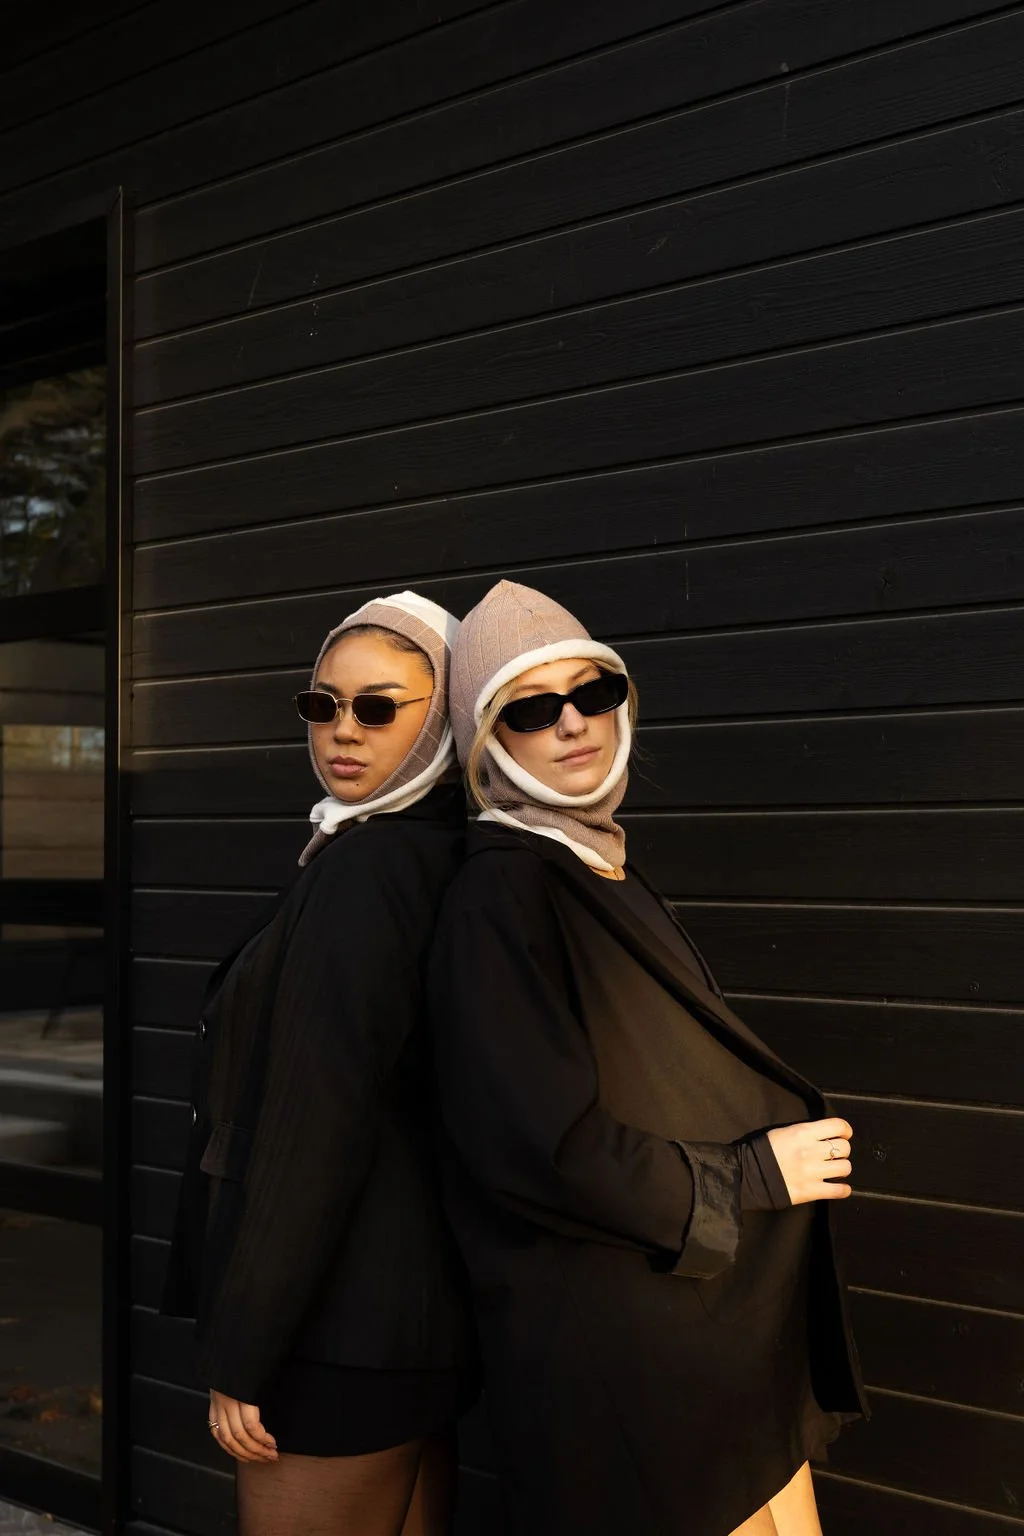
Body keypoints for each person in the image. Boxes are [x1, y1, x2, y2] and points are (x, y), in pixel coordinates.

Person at [429, 580, 867, 1536]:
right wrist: (751, 1174)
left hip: (703, 1326)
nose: (574, 724)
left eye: (596, 694)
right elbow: (531, 1146)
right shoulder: (500, 895)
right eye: (533, 710)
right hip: (628, 1348)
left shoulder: (596, 861)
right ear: (489, 741)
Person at [162, 592, 476, 1536]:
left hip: (337, 1324)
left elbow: (314, 1127)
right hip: (411, 1317)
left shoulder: (367, 870)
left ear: (446, 720)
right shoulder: (432, 850)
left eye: (379, 707)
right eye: (322, 705)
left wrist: (245, 1350)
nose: (343, 731)